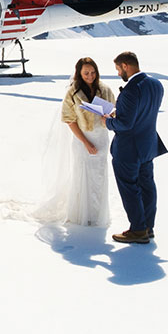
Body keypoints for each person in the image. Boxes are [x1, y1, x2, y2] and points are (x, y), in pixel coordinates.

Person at [34, 57, 117, 226]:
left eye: (93, 72)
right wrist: (86, 143)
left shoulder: (105, 89)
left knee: (99, 176)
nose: (90, 76)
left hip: (101, 137)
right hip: (82, 139)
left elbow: (114, 110)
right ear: (79, 73)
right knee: (82, 175)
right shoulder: (72, 93)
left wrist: (108, 118)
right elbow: (69, 120)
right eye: (86, 73)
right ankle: (81, 213)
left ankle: (96, 214)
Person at [102, 51, 166, 244]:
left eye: (118, 69)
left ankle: (137, 230)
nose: (118, 74)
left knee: (129, 188)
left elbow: (125, 124)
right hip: (148, 145)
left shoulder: (130, 91)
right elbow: (143, 114)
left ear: (125, 66)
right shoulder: (156, 85)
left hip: (129, 149)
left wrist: (108, 121)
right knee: (147, 186)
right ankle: (148, 226)